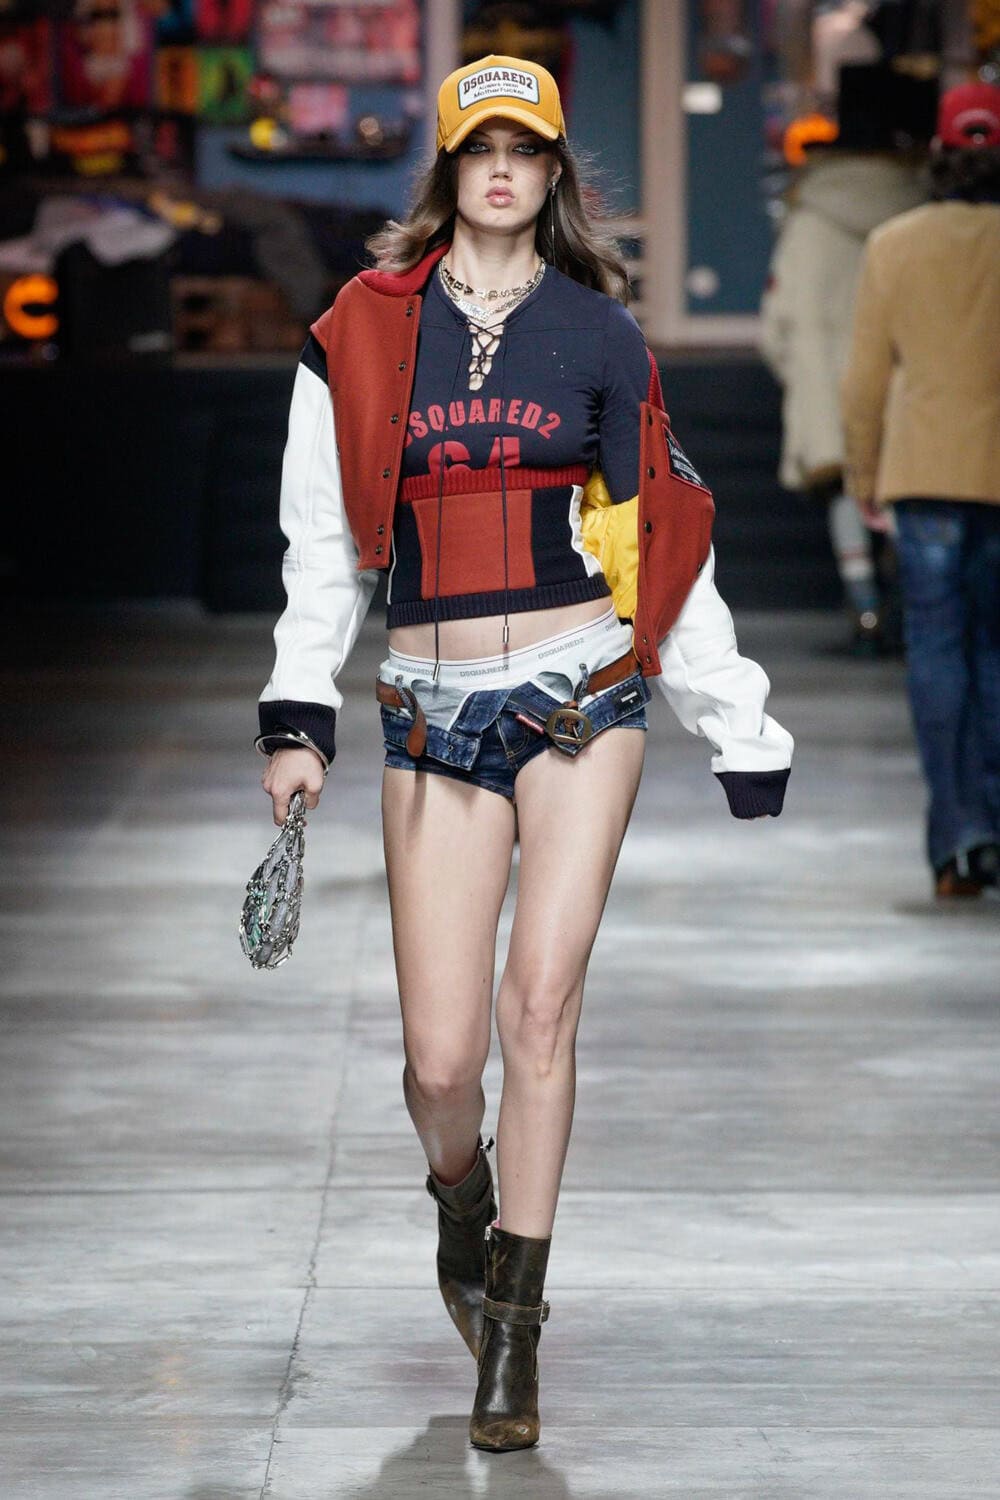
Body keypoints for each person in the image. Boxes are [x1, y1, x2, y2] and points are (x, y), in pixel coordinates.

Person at [254, 54, 794, 1452]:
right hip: (431, 712)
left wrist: (733, 717)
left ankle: (514, 1331)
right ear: (448, 169)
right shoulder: (359, 332)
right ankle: (463, 1202)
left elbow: (654, 535)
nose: (502, 170)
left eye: (526, 149)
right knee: (442, 1064)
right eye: (479, 148)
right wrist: (298, 711)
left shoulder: (599, 334)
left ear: (553, 172)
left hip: (576, 700)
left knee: (537, 1012)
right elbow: (320, 541)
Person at [841, 80, 1000, 899]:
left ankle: (957, 842)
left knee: (938, 653)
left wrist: (864, 475)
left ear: (937, 152)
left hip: (927, 475)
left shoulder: (895, 244)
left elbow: (865, 378)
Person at [760, 64, 928, 652]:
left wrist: (802, 373)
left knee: (844, 488)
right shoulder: (923, 210)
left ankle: (865, 609)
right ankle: (910, 605)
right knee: (908, 491)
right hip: (913, 383)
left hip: (829, 379)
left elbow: (776, 324)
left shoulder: (810, 218)